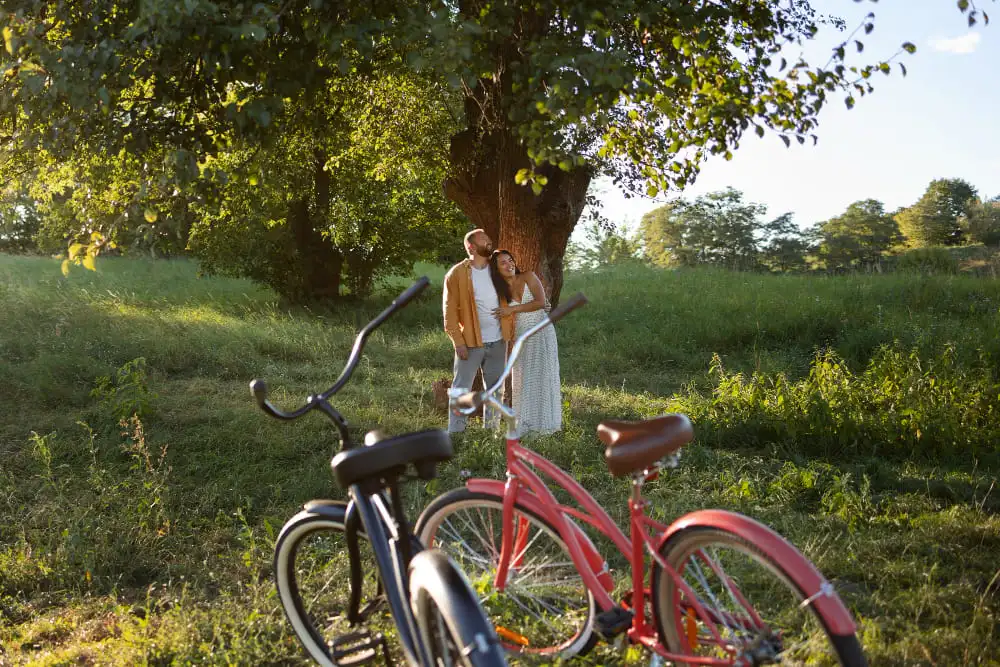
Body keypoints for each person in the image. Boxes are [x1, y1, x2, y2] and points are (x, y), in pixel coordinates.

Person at [442, 229, 514, 433]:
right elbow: (449, 312)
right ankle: (456, 433)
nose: (489, 241)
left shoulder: (497, 267)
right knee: (460, 390)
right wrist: (458, 342)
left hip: (499, 340)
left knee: (494, 390)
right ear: (471, 247)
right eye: (484, 239)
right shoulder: (456, 274)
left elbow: (516, 284)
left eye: (488, 237)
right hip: (471, 342)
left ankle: (491, 432)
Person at [489, 249, 562, 436]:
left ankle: (547, 424)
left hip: (541, 330)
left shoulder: (528, 276)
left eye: (510, 260)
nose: (509, 264)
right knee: (524, 376)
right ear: (496, 269)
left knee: (544, 374)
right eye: (503, 263)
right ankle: (526, 424)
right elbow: (499, 316)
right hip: (522, 336)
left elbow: (540, 301)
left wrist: (513, 310)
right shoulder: (500, 293)